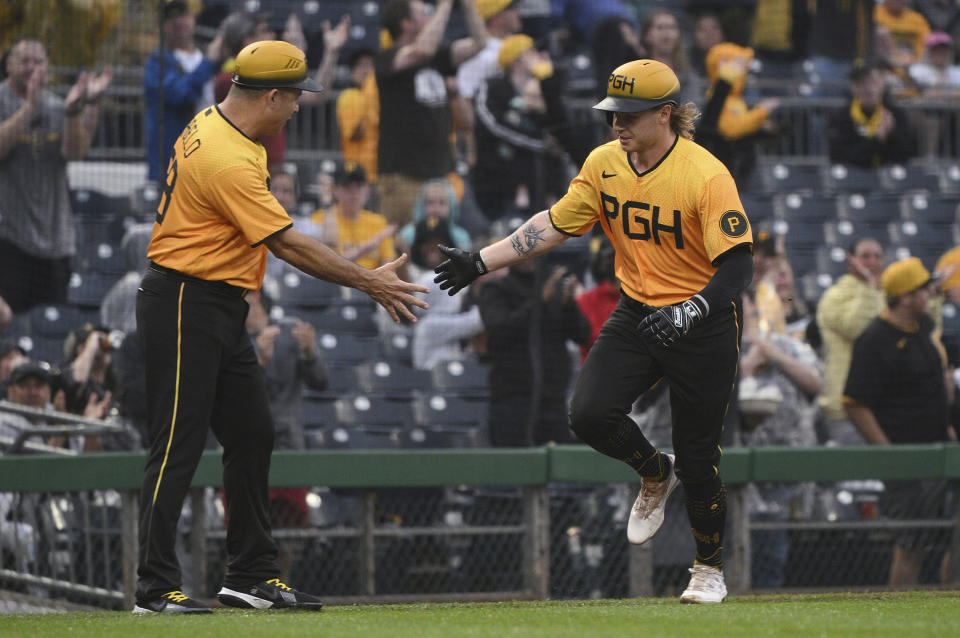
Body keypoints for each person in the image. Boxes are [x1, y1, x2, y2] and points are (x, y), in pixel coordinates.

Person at [434, 59, 755, 603]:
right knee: (587, 413)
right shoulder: (605, 162)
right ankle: (655, 473)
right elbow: (555, 222)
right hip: (638, 308)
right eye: (613, 114)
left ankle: (708, 570)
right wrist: (481, 262)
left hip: (703, 322)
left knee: (700, 458)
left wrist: (694, 310)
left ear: (666, 114)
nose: (617, 125)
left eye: (630, 115)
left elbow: (739, 266)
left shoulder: (705, 174)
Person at [133, 39, 428, 614]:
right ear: (270, 96)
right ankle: (153, 587)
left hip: (219, 302)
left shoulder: (220, 126)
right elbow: (288, 243)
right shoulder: (227, 157)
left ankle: (249, 574)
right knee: (177, 442)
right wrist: (370, 281)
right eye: (294, 97)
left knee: (252, 432)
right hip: (182, 299)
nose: (298, 108)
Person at [843, 257, 956, 586]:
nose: (931, 293)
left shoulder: (923, 328)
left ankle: (949, 598)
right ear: (905, 296)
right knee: (911, 544)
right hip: (905, 457)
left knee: (953, 538)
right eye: (924, 289)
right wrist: (889, 453)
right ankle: (900, 604)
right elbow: (854, 404)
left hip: (939, 450)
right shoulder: (875, 339)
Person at [0, 38, 112, 313]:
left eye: (38, 61)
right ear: (8, 66)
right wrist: (29, 108)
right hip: (10, 239)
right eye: (24, 60)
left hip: (55, 242)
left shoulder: (56, 105)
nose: (32, 67)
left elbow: (75, 151)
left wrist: (81, 107)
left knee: (52, 328)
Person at [375, 0, 487, 226]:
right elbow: (423, 50)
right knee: (403, 249)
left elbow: (480, 42)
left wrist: (467, 6)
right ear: (406, 24)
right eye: (423, 12)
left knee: (442, 247)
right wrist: (446, 4)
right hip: (403, 177)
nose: (430, 16)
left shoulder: (439, 57)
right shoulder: (387, 58)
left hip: (440, 176)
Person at [737, 292, 822, 589]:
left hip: (788, 471)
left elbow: (816, 384)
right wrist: (749, 362)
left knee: (776, 558)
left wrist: (774, 355)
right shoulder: (717, 348)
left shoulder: (787, 345)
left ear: (751, 306)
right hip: (737, 473)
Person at [476, 244, 591, 447]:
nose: (528, 257)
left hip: (553, 399)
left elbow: (582, 335)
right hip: (513, 398)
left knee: (560, 468)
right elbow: (500, 329)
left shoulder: (552, 285)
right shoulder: (496, 289)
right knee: (516, 467)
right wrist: (540, 301)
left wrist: (568, 305)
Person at [144, 0, 225, 182]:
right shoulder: (158, 62)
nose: (178, 21)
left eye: (183, 14)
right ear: (163, 25)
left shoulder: (208, 56)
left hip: (209, 156)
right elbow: (178, 95)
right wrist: (208, 64)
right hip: (172, 164)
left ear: (193, 18)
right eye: (172, 17)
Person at [815, 237, 886, 445]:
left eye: (877, 256)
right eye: (865, 256)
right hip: (845, 405)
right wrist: (870, 288)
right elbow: (858, 330)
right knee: (855, 475)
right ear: (851, 260)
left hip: (879, 403)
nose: (872, 262)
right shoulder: (834, 296)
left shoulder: (884, 295)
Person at [697, 43, 781, 190]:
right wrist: (760, 112)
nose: (744, 70)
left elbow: (742, 129)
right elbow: (730, 129)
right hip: (719, 173)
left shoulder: (737, 101)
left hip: (740, 169)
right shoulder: (715, 98)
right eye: (738, 64)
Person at [410, 217, 485, 371]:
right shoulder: (430, 325)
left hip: (450, 379)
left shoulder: (438, 321)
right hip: (431, 386)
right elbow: (475, 321)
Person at [827, 60, 917, 169]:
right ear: (853, 87)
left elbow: (906, 157)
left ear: (882, 85)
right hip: (853, 181)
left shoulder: (895, 114)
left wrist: (892, 134)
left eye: (873, 82)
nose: (868, 89)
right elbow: (839, 159)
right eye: (862, 83)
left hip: (888, 181)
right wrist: (877, 139)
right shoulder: (841, 117)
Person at [310, 162, 398, 270]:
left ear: (367, 189)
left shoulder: (378, 222)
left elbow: (388, 267)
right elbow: (330, 265)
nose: (354, 192)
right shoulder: (321, 219)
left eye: (359, 186)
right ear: (335, 190)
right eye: (347, 187)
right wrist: (373, 242)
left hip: (371, 284)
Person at [398, 178, 473, 260]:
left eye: (442, 202)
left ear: (451, 207)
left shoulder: (460, 236)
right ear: (421, 206)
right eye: (430, 202)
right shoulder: (408, 234)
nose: (436, 209)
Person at [336, 49, 380, 183]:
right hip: (359, 175)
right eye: (362, 65)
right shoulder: (349, 96)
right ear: (353, 71)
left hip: (382, 173)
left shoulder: (380, 97)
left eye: (371, 65)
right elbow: (355, 134)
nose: (367, 70)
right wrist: (369, 96)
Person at [875, 0, 932, 68]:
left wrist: (917, 60)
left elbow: (927, 43)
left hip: (914, 66)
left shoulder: (917, 19)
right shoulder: (875, 14)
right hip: (884, 65)